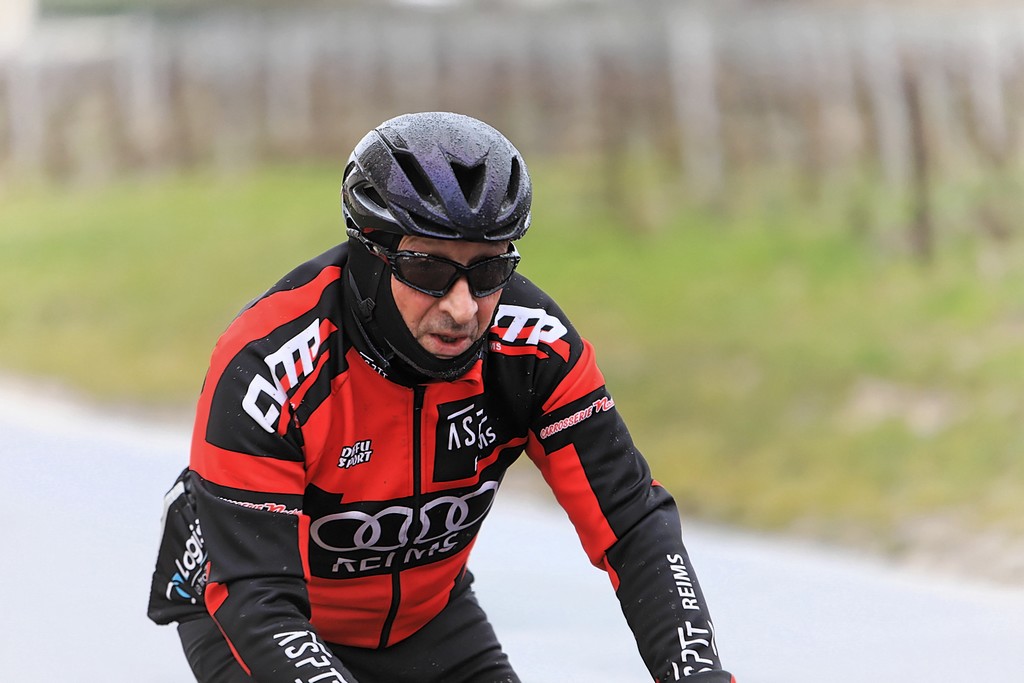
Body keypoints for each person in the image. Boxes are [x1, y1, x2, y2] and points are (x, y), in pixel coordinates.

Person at [148, 111, 735, 683]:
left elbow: (631, 523)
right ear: (371, 256)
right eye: (429, 270)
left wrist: (697, 672)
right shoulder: (270, 364)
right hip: (254, 612)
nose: (462, 307)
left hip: (425, 618)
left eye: (489, 272)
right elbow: (257, 598)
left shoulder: (533, 346)